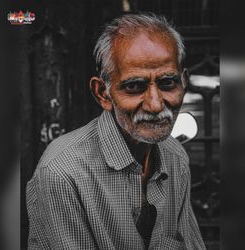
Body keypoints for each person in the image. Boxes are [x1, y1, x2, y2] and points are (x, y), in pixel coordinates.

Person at [26, 13, 206, 249]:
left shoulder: (175, 157)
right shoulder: (62, 173)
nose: (155, 104)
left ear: (183, 83)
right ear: (103, 93)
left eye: (167, 83)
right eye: (134, 86)